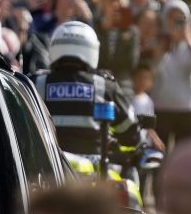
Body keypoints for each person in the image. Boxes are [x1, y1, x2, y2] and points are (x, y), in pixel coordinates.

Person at [35, 21, 141, 159]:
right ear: (92, 50)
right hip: (94, 175)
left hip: (46, 170)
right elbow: (130, 134)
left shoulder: (36, 82)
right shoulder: (104, 86)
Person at [151, 0, 191, 149]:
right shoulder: (159, 43)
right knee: (160, 153)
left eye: (180, 20)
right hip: (161, 106)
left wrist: (188, 41)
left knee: (184, 153)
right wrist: (163, 49)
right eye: (172, 19)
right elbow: (154, 71)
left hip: (186, 108)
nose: (176, 24)